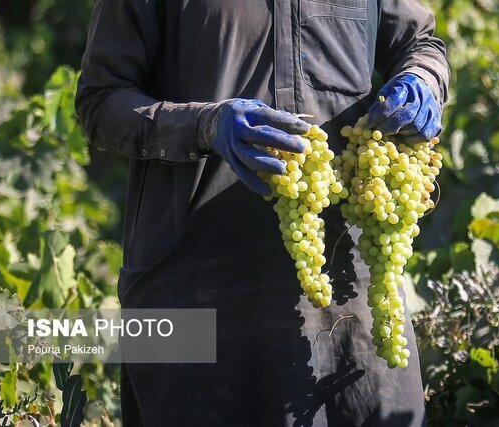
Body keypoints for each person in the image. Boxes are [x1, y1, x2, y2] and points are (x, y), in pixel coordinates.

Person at [75, 0, 449, 425]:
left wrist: (423, 79)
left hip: (349, 295)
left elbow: (420, 43)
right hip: (194, 286)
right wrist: (204, 126)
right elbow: (100, 100)